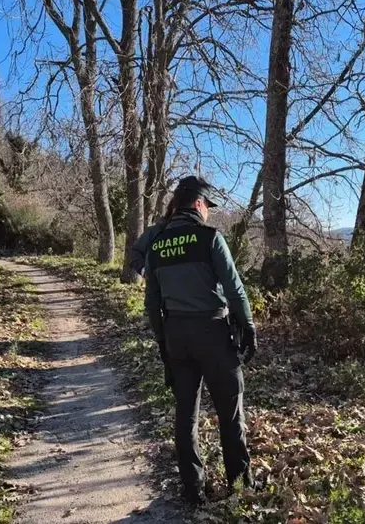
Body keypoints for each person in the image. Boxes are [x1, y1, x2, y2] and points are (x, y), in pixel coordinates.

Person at [144, 175, 258, 505]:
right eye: (208, 206)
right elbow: (234, 289)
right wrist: (248, 327)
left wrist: (163, 343)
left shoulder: (157, 242)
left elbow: (152, 302)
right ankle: (239, 485)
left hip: (176, 335)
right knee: (230, 412)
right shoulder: (209, 238)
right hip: (212, 334)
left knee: (185, 416)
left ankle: (192, 489)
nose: (208, 212)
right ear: (198, 204)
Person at [129, 198, 178, 276]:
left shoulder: (197, 232)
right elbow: (135, 252)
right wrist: (144, 271)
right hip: (158, 285)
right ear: (172, 209)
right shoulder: (154, 231)